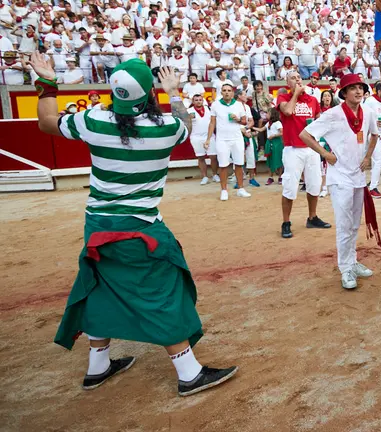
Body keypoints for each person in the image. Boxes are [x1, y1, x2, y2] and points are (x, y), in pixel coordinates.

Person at [29, 55, 237, 396]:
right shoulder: (165, 129)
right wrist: (173, 92)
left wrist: (48, 81)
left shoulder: (93, 119)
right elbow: (183, 125)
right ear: (150, 95)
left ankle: (98, 366)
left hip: (98, 224)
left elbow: (47, 122)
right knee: (164, 293)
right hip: (140, 226)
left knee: (99, 288)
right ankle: (189, 373)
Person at [299, 74, 378, 290]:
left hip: (358, 176)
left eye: (360, 87)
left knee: (354, 224)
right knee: (344, 225)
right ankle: (345, 269)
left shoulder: (368, 112)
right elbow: (305, 135)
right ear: (343, 93)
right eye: (352, 88)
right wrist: (326, 154)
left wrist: (368, 156)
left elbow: (374, 135)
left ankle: (352, 261)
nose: (358, 91)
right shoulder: (332, 114)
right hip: (339, 177)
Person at [278, 69, 332, 238]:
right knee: (290, 186)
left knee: (314, 184)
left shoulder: (313, 100)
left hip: (311, 148)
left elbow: (318, 121)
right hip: (293, 148)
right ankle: (286, 222)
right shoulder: (283, 98)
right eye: (293, 78)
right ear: (288, 84)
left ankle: (312, 217)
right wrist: (296, 94)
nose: (297, 80)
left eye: (299, 77)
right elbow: (287, 112)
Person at [205, 83, 252, 201]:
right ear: (221, 92)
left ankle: (241, 189)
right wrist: (208, 139)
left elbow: (244, 121)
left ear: (232, 93)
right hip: (222, 139)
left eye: (229, 90)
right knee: (223, 165)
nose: (227, 92)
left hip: (237, 138)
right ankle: (224, 190)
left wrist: (238, 119)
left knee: (239, 164)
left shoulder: (239, 105)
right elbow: (212, 123)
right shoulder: (215, 105)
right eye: (224, 90)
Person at [188, 94, 217, 185]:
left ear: (203, 101)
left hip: (210, 136)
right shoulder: (189, 111)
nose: (198, 101)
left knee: (214, 156)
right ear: (193, 102)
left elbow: (214, 122)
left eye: (200, 100)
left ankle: (215, 174)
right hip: (196, 137)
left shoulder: (209, 109)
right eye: (196, 100)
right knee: (201, 157)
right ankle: (204, 176)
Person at [265, 109, 284, 186]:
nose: (266, 115)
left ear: (272, 114)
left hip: (277, 143)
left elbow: (281, 132)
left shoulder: (278, 123)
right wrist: (252, 128)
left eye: (268, 113)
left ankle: (280, 177)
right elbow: (261, 129)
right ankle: (271, 177)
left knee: (278, 159)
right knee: (270, 160)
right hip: (269, 142)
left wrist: (273, 135)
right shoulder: (268, 123)